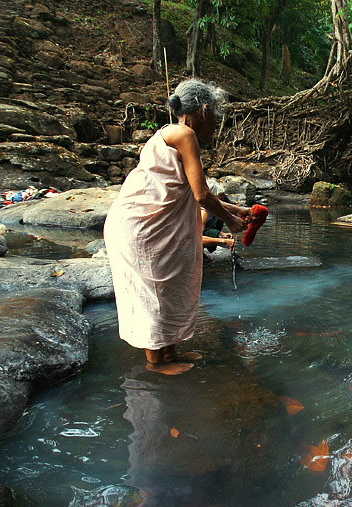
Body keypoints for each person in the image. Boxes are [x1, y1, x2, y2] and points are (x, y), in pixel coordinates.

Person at [104, 78, 253, 375]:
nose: (217, 126)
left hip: (145, 223)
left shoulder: (168, 134)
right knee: (155, 290)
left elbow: (186, 190)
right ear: (205, 110)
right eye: (216, 118)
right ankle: (156, 363)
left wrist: (238, 210)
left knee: (169, 287)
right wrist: (230, 220)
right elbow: (201, 194)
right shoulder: (185, 134)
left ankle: (169, 353)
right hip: (142, 226)